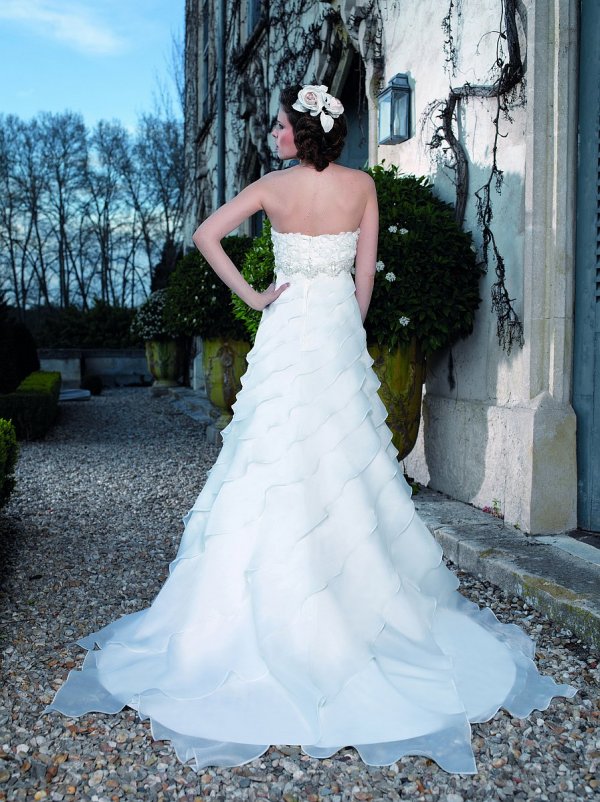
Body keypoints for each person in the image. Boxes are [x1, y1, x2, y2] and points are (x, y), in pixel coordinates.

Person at [46, 84, 576, 774]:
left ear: (302, 132)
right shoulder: (362, 187)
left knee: (270, 459)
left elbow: (205, 235)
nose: (272, 134)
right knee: (344, 462)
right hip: (333, 337)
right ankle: (353, 602)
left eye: (279, 126)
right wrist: (347, 332)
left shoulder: (273, 188)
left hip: (285, 332)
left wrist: (255, 295)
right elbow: (364, 278)